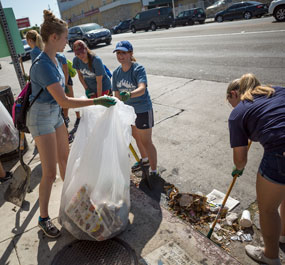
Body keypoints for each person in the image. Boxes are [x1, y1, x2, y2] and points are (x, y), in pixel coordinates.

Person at [26, 10, 116, 238]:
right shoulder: (42, 64)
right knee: (49, 174)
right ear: (54, 38)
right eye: (65, 37)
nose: (68, 41)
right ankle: (43, 218)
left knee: (66, 161)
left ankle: (73, 203)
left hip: (55, 114)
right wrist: (96, 100)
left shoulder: (57, 59)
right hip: (41, 118)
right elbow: (64, 99)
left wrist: (66, 113)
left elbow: (65, 93)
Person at [226, 73, 285, 265]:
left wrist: (238, 168)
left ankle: (270, 256)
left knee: (267, 209)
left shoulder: (238, 113)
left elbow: (240, 160)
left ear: (234, 94)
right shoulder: (277, 90)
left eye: (231, 103)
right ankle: (283, 234)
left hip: (280, 152)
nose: (234, 108)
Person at [112, 40, 159, 179]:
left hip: (142, 109)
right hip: (128, 112)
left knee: (146, 141)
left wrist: (130, 94)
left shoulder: (138, 69)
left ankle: (154, 171)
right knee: (136, 137)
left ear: (131, 53)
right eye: (118, 53)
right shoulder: (116, 73)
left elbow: (142, 88)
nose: (121, 56)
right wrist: (117, 108)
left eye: (124, 53)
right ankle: (144, 160)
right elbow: (116, 95)